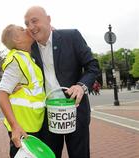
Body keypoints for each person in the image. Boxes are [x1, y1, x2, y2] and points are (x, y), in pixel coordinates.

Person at [24, 6, 100, 158]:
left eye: (34, 21)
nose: (31, 27)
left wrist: (81, 86)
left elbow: (93, 66)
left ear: (48, 19)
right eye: (27, 24)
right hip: (47, 116)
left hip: (75, 112)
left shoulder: (71, 36)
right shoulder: (28, 48)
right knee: (49, 155)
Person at [0, 24, 46, 158]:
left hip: (32, 125)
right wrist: (15, 126)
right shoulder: (16, 60)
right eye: (22, 29)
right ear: (17, 40)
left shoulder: (27, 57)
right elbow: (2, 95)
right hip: (22, 128)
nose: (27, 29)